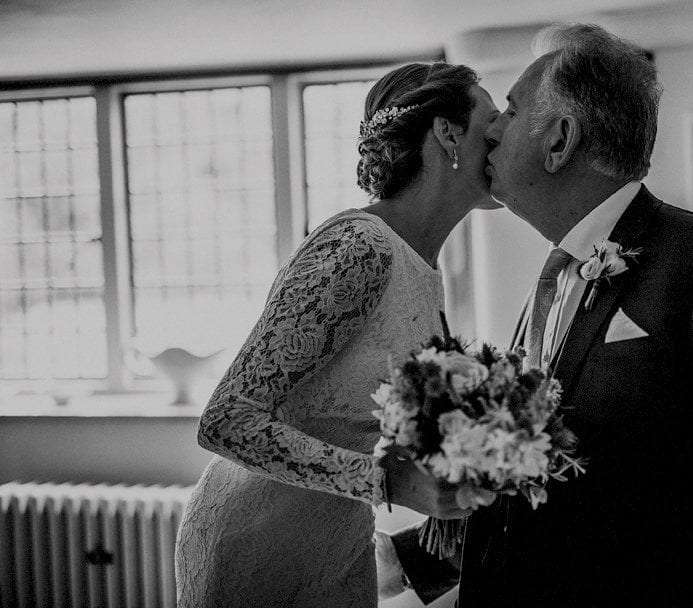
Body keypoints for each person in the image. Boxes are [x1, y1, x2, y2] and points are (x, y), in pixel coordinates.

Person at [380, 24, 693, 607]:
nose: (491, 129)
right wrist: (410, 558)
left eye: (513, 110)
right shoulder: (554, 278)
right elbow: (557, 482)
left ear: (559, 140)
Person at [174, 61, 499, 607]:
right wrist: (387, 483)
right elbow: (226, 420)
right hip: (260, 545)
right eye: (491, 121)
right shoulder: (359, 247)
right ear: (447, 134)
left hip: (337, 542)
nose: (502, 136)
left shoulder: (425, 270)